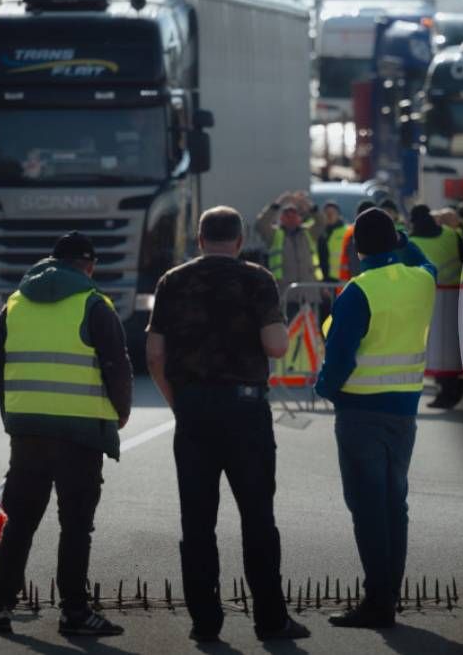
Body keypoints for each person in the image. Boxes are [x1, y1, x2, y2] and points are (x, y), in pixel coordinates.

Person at [145, 206, 309, 642]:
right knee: (257, 517)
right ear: (238, 241)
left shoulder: (172, 282)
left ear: (199, 240)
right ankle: (271, 620)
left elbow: (155, 355)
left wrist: (178, 402)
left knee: (197, 522)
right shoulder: (256, 279)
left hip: (194, 412)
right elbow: (275, 347)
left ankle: (205, 621)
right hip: (246, 413)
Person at [0, 231, 132, 636]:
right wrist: (120, 414)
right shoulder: (94, 305)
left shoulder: (14, 305)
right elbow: (117, 366)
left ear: (52, 261)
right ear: (89, 265)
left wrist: (12, 418)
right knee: (76, 525)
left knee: (19, 522)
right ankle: (75, 613)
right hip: (79, 434)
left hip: (28, 432)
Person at [315, 207, 436, 629]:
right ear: (394, 242)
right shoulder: (422, 281)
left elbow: (339, 359)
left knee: (368, 509)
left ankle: (378, 602)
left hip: (359, 411)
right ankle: (388, 597)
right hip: (404, 412)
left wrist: (324, 389)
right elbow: (425, 261)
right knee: (393, 505)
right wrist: (405, 239)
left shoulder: (357, 291)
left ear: (357, 249)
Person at [409, 203, 463, 409]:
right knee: (449, 345)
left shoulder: (412, 240)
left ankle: (449, 389)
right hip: (454, 296)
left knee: (435, 347)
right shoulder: (450, 234)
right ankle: (451, 386)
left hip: (429, 299)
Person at [268, 202, 323, 318]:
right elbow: (261, 224)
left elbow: (321, 222)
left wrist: (309, 206)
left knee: (311, 332)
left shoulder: (308, 232)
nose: (291, 219)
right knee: (291, 331)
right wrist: (277, 204)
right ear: (281, 218)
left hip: (309, 293)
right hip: (288, 294)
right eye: (287, 216)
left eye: (294, 215)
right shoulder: (274, 235)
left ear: (300, 218)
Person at [317, 201, 349, 281]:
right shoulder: (321, 234)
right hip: (326, 281)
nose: (329, 215)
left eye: (332, 213)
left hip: (344, 280)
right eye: (326, 213)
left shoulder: (348, 232)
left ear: (338, 215)